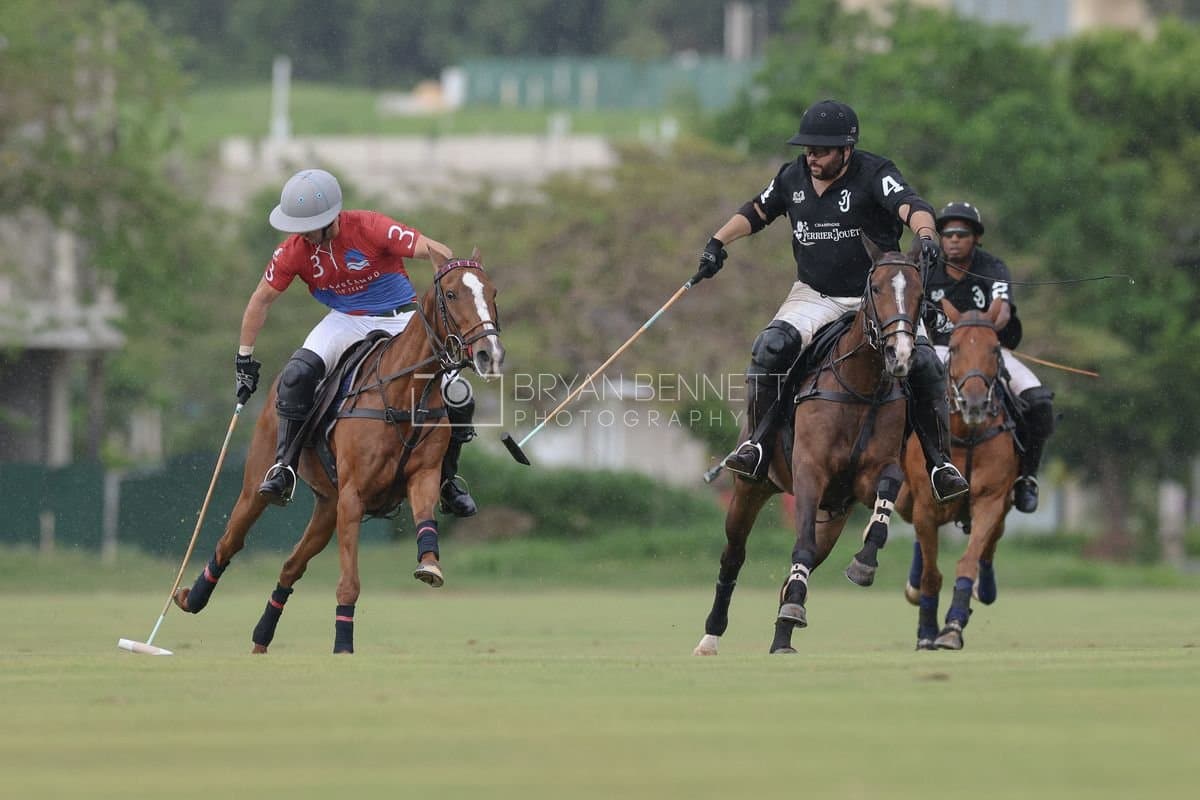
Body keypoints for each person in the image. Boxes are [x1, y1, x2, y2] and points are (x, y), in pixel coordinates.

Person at [696, 99, 968, 503]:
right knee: (770, 347)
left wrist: (926, 235)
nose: (811, 157)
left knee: (926, 363)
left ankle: (939, 463)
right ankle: (755, 445)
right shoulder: (792, 178)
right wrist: (717, 242)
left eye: (820, 150)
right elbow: (756, 210)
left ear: (846, 149)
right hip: (816, 295)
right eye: (807, 149)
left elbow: (913, 206)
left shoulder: (875, 172)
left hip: (878, 299)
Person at [233, 167, 478, 516]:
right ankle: (284, 468)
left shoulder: (370, 227)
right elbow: (260, 300)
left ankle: (448, 481)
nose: (302, 235)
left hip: (400, 318)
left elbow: (437, 249)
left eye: (308, 227)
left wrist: (452, 278)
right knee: (296, 375)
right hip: (345, 320)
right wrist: (244, 358)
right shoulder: (293, 251)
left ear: (331, 218)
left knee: (458, 394)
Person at [926, 201, 1055, 513]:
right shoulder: (927, 271)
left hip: (987, 348)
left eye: (962, 233)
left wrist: (976, 328)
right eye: (947, 233)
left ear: (976, 238)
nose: (954, 239)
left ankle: (1026, 478)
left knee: (1039, 402)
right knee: (901, 395)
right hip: (940, 348)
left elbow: (1003, 310)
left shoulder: (992, 267)